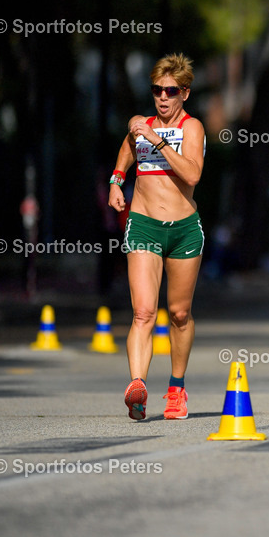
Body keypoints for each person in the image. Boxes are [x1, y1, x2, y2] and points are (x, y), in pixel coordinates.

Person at [108, 53, 205, 421]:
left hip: (183, 230)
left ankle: (177, 389)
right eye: (156, 90)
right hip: (144, 223)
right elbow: (127, 150)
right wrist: (117, 181)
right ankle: (137, 387)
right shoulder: (141, 125)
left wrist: (157, 140)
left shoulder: (192, 128)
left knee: (179, 314)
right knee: (143, 311)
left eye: (170, 91)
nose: (162, 97)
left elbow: (192, 175)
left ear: (185, 94)